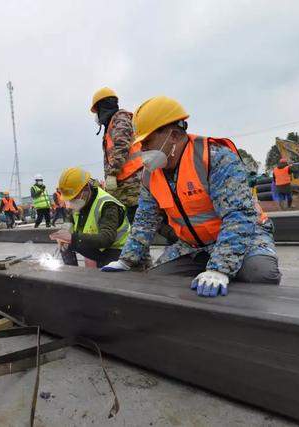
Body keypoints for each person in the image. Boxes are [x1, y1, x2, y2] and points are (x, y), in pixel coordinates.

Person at [101, 96, 281, 298]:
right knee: (158, 279)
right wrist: (126, 260)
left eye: (148, 142)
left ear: (175, 136)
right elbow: (144, 222)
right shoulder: (150, 175)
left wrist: (220, 268)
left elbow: (238, 216)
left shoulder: (214, 158)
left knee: (261, 274)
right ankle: (211, 267)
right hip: (193, 246)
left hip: (247, 235)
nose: (142, 151)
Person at [50, 167, 129, 268]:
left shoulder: (107, 205)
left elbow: (106, 239)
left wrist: (72, 238)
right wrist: (65, 230)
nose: (70, 203)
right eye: (69, 199)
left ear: (86, 189)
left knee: (74, 241)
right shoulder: (79, 203)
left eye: (74, 198)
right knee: (66, 243)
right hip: (97, 247)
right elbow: (69, 219)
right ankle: (72, 272)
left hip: (117, 250)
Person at [91, 87, 143, 224]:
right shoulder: (113, 123)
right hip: (123, 182)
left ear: (102, 108)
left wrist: (112, 173)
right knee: (125, 220)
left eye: (97, 112)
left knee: (135, 219)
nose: (96, 117)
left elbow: (121, 146)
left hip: (132, 182)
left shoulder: (120, 119)